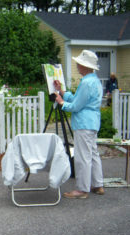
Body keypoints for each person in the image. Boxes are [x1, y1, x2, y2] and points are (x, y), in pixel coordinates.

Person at [54, 50, 104, 199]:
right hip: (92, 122)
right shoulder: (94, 81)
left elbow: (76, 105)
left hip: (83, 122)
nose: (77, 65)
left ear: (84, 66)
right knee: (93, 154)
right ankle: (98, 184)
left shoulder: (87, 83)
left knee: (83, 157)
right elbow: (77, 99)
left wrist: (62, 103)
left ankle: (82, 190)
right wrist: (62, 92)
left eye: (79, 63)